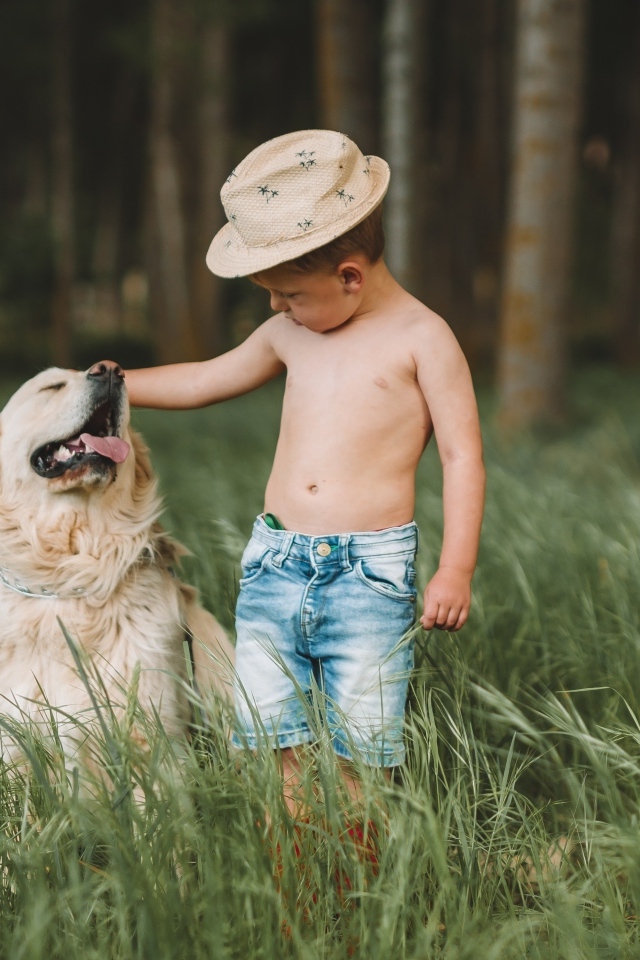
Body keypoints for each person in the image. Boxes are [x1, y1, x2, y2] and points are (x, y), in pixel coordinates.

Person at [123, 129, 485, 814]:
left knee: (361, 745)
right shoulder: (291, 333)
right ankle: (293, 887)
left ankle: (356, 888)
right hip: (275, 566)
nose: (275, 307)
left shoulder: (423, 339)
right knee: (271, 736)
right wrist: (118, 385)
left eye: (288, 293)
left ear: (349, 275)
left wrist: (455, 567)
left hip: (368, 578)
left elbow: (462, 454)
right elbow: (204, 379)